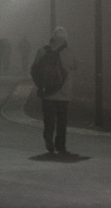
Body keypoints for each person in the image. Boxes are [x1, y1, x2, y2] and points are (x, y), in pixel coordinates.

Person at [31, 27, 79, 155]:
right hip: (64, 92)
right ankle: (60, 145)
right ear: (65, 39)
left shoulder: (42, 51)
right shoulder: (69, 52)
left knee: (49, 119)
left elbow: (34, 69)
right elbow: (76, 65)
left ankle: (48, 139)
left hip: (47, 92)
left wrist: (40, 84)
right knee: (62, 121)